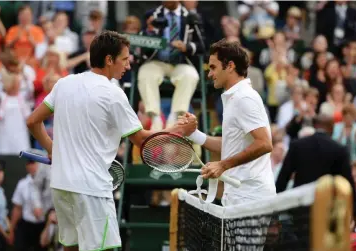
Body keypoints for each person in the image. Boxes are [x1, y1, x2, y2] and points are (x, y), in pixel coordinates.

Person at [26, 30, 195, 251]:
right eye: (124, 59)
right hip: (92, 189)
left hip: (61, 186)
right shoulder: (113, 94)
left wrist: (52, 149)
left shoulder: (64, 84)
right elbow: (142, 140)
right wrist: (179, 129)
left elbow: (32, 122)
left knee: (71, 248)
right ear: (109, 60)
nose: (128, 65)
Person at [179, 38, 275, 206]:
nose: (209, 74)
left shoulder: (244, 97)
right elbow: (232, 145)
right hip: (239, 195)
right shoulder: (235, 98)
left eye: (213, 67)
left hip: (250, 197)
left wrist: (223, 165)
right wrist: (193, 134)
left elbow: (265, 143)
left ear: (230, 66)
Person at [276, 115, 356, 223]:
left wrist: (275, 210)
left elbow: (282, 179)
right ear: (332, 128)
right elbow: (348, 183)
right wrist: (355, 212)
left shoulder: (297, 145)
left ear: (314, 126)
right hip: (328, 210)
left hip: (301, 209)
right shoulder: (339, 149)